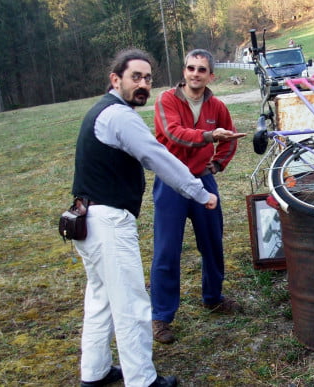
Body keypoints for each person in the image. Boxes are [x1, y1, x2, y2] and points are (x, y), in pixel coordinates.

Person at [71, 48, 218, 387]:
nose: (143, 84)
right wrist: (200, 193)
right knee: (132, 305)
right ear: (115, 79)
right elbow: (157, 157)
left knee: (101, 300)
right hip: (107, 223)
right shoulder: (119, 116)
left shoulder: (100, 111)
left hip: (86, 220)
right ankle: (142, 380)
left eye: (148, 78)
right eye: (135, 77)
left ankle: (94, 373)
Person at [150, 49, 246, 344]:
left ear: (210, 76)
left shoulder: (216, 106)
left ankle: (213, 297)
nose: (195, 73)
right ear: (184, 71)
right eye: (191, 68)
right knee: (167, 251)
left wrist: (217, 163)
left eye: (201, 69)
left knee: (213, 242)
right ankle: (161, 317)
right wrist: (207, 136)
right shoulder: (167, 100)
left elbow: (229, 138)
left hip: (203, 182)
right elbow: (174, 134)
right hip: (171, 183)